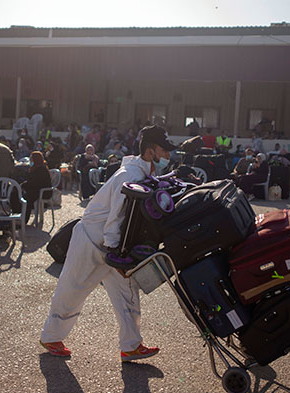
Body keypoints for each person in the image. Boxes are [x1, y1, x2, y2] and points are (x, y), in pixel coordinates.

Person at [39, 125, 175, 360]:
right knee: (72, 289)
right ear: (151, 152)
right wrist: (116, 255)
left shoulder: (139, 172)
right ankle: (51, 337)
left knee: (127, 290)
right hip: (93, 241)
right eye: (164, 151)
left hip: (113, 245)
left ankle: (131, 345)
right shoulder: (130, 176)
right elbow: (116, 218)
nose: (168, 157)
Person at [20, 151, 52, 216]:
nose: (30, 160)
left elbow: (35, 183)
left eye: (31, 158)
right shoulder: (36, 168)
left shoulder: (41, 169)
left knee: (26, 198)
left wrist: (23, 185)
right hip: (37, 189)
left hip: (43, 191)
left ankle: (24, 218)